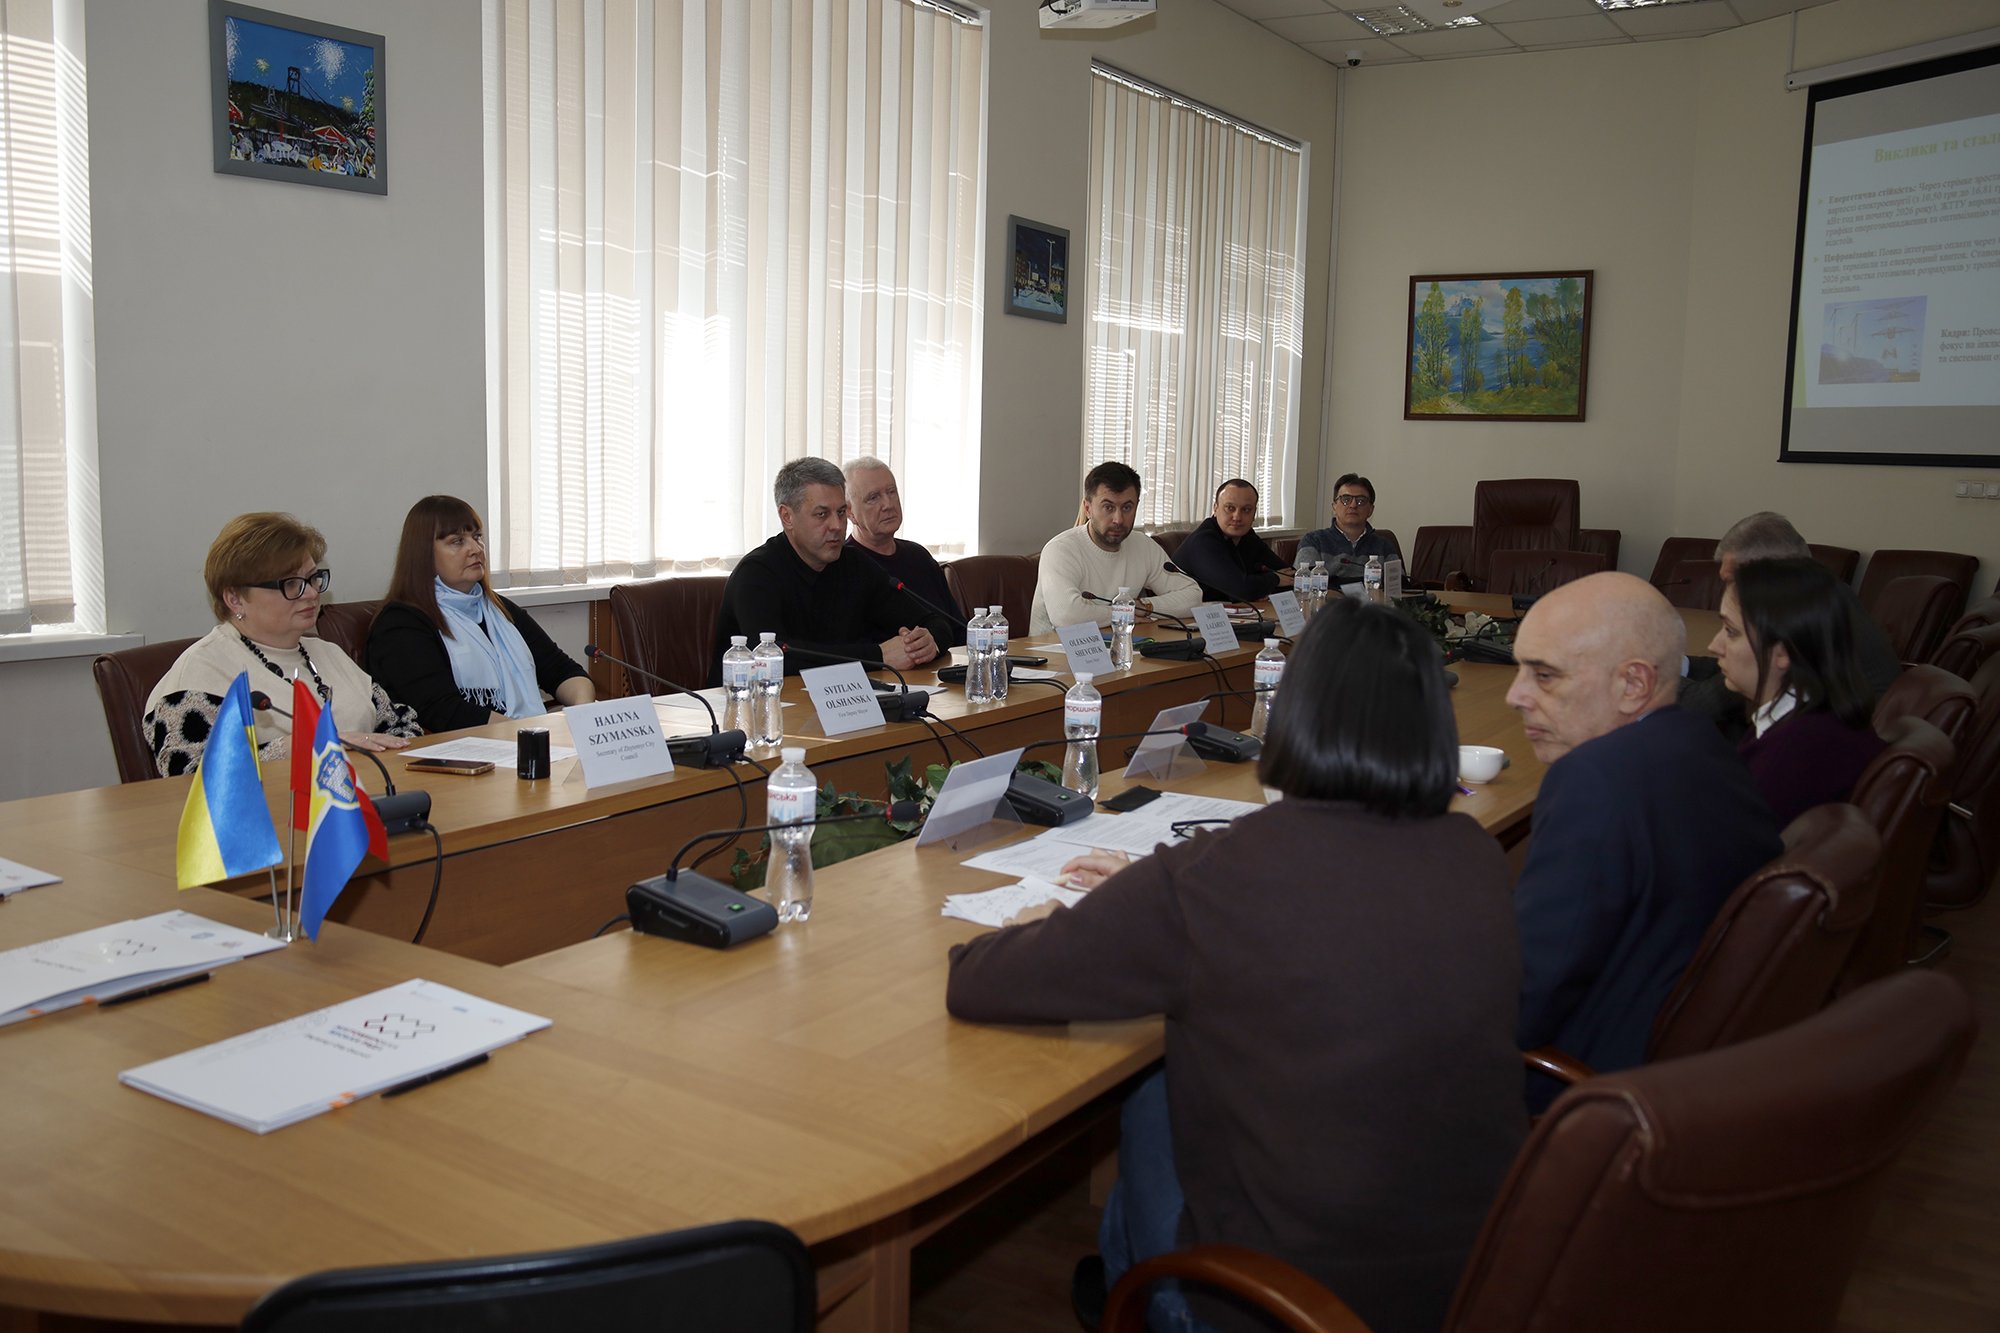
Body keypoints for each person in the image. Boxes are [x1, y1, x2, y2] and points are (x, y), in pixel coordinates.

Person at [948, 599, 1526, 1333]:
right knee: (1161, 1083)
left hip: (1278, 1305)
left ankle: (1139, 1298)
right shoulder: (1472, 852)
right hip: (1478, 1273)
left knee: (1150, 1091)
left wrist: (1084, 914)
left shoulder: (1221, 874)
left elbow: (978, 980)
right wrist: (1154, 893)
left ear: (1292, 718)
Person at [1507, 572, 1782, 1110]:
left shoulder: (1593, 782)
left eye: (1544, 675)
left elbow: (1526, 999)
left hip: (1586, 1078)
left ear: (1634, 684)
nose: (1516, 695)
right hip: (1685, 1056)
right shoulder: (1705, 743)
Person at [144, 513, 421, 777]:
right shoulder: (202, 669)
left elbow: (403, 725)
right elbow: (188, 773)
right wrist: (295, 747)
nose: (311, 593)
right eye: (290, 584)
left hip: (367, 797)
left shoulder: (329, 653)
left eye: (313, 579)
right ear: (235, 599)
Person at [711, 457, 959, 683]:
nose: (837, 526)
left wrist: (928, 641)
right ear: (787, 517)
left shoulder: (854, 564)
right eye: (822, 514)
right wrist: (878, 655)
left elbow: (935, 621)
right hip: (749, 707)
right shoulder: (756, 574)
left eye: (841, 513)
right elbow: (775, 657)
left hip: (836, 703)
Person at [366, 496, 596, 734]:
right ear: (424, 555)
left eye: (477, 537)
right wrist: (523, 733)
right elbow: (441, 710)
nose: (476, 549)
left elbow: (562, 670)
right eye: (457, 541)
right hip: (463, 747)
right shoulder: (400, 623)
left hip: (520, 737)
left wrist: (582, 713)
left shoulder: (499, 609)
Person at [1680, 511, 1900, 741]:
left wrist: (1656, 670)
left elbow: (1699, 704)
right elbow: (1729, 671)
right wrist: (1681, 663)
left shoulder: (1805, 622)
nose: (1728, 593)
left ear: (1774, 577)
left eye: (1735, 582)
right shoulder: (1828, 598)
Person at [1710, 557, 1885, 828]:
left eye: (1731, 631)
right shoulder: (1818, 716)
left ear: (1783, 652)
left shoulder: (1793, 752)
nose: (1714, 645)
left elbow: (1727, 843)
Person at [1028, 461, 1201, 634]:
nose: (1118, 519)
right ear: (1088, 509)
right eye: (1108, 507)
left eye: (1127, 507)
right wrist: (1125, 612)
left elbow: (1193, 595)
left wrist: (1145, 606)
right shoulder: (1060, 549)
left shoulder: (1143, 546)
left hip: (1121, 645)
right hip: (1055, 648)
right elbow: (1066, 616)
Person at [841, 456, 964, 647]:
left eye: (892, 492)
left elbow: (958, 629)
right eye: (873, 498)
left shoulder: (919, 556)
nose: (888, 504)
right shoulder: (844, 565)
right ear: (849, 512)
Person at [1170, 478, 1286, 603]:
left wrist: (1263, 588)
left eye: (1246, 510)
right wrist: (1275, 580)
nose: (1237, 517)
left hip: (1232, 612)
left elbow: (1290, 576)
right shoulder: (1203, 541)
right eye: (1230, 508)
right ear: (1215, 508)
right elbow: (1240, 590)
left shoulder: (1247, 536)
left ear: (1254, 513)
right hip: (1187, 613)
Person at [1298, 473, 1401, 574]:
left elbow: (1399, 583)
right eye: (1346, 499)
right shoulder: (1313, 541)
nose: (1353, 505)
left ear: (1370, 510)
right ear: (1334, 507)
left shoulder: (1384, 546)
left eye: (1361, 501)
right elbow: (1304, 581)